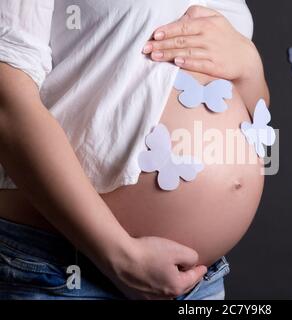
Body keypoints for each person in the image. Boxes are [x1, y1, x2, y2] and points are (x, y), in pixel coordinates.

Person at [0, 0, 269, 300]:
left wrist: (250, 68)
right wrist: (120, 257)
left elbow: (252, 116)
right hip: (66, 271)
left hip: (198, 281)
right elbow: (8, 105)